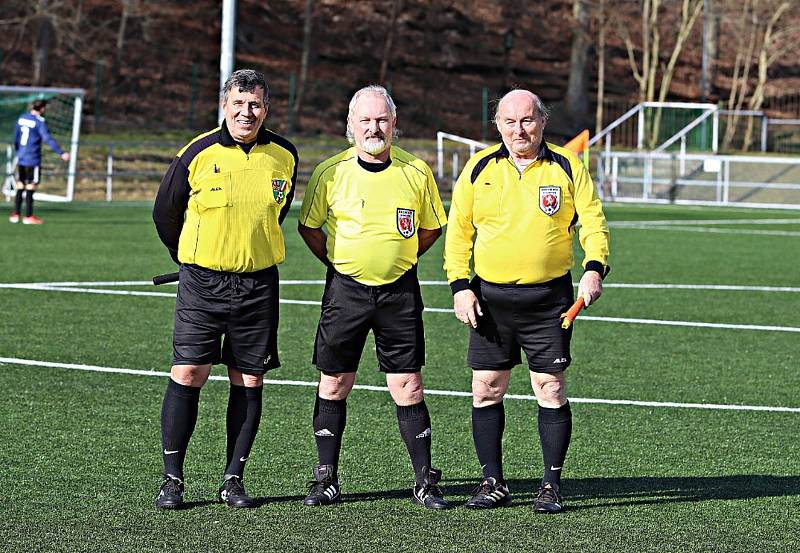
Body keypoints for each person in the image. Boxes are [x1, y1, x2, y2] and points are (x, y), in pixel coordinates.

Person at [443, 89, 610, 513]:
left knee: (549, 387)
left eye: (528, 120)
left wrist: (594, 267)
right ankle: (491, 481)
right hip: (489, 299)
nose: (520, 129)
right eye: (510, 121)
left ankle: (551, 485)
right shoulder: (478, 167)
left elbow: (592, 221)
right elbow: (458, 232)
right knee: (487, 388)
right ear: (497, 125)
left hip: (548, 300)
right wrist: (460, 286)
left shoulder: (568, 166)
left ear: (543, 121)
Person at [297, 85, 449, 510]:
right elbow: (309, 228)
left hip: (399, 293)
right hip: (345, 291)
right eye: (364, 120)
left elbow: (433, 228)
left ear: (394, 123)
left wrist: (400, 257)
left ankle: (423, 479)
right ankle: (326, 477)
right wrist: (337, 261)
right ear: (350, 126)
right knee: (335, 381)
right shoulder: (330, 173)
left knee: (408, 384)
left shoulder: (416, 172)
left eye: (381, 119)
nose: (373, 127)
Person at [151, 69, 297, 509]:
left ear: (265, 110)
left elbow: (276, 213)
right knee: (189, 372)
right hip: (202, 283)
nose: (245, 112)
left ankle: (234, 479)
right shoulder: (196, 152)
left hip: (258, 285)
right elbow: (165, 213)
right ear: (224, 107)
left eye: (254, 105)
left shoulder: (285, 155)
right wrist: (193, 257)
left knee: (249, 377)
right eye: (237, 104)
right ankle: (172, 480)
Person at [9, 99, 70, 225]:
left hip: (21, 157)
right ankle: (28, 216)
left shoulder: (22, 118)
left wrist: (19, 152)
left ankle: (15, 215)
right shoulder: (39, 122)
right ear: (42, 109)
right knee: (31, 185)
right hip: (33, 158)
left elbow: (15, 137)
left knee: (20, 184)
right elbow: (47, 138)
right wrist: (61, 152)